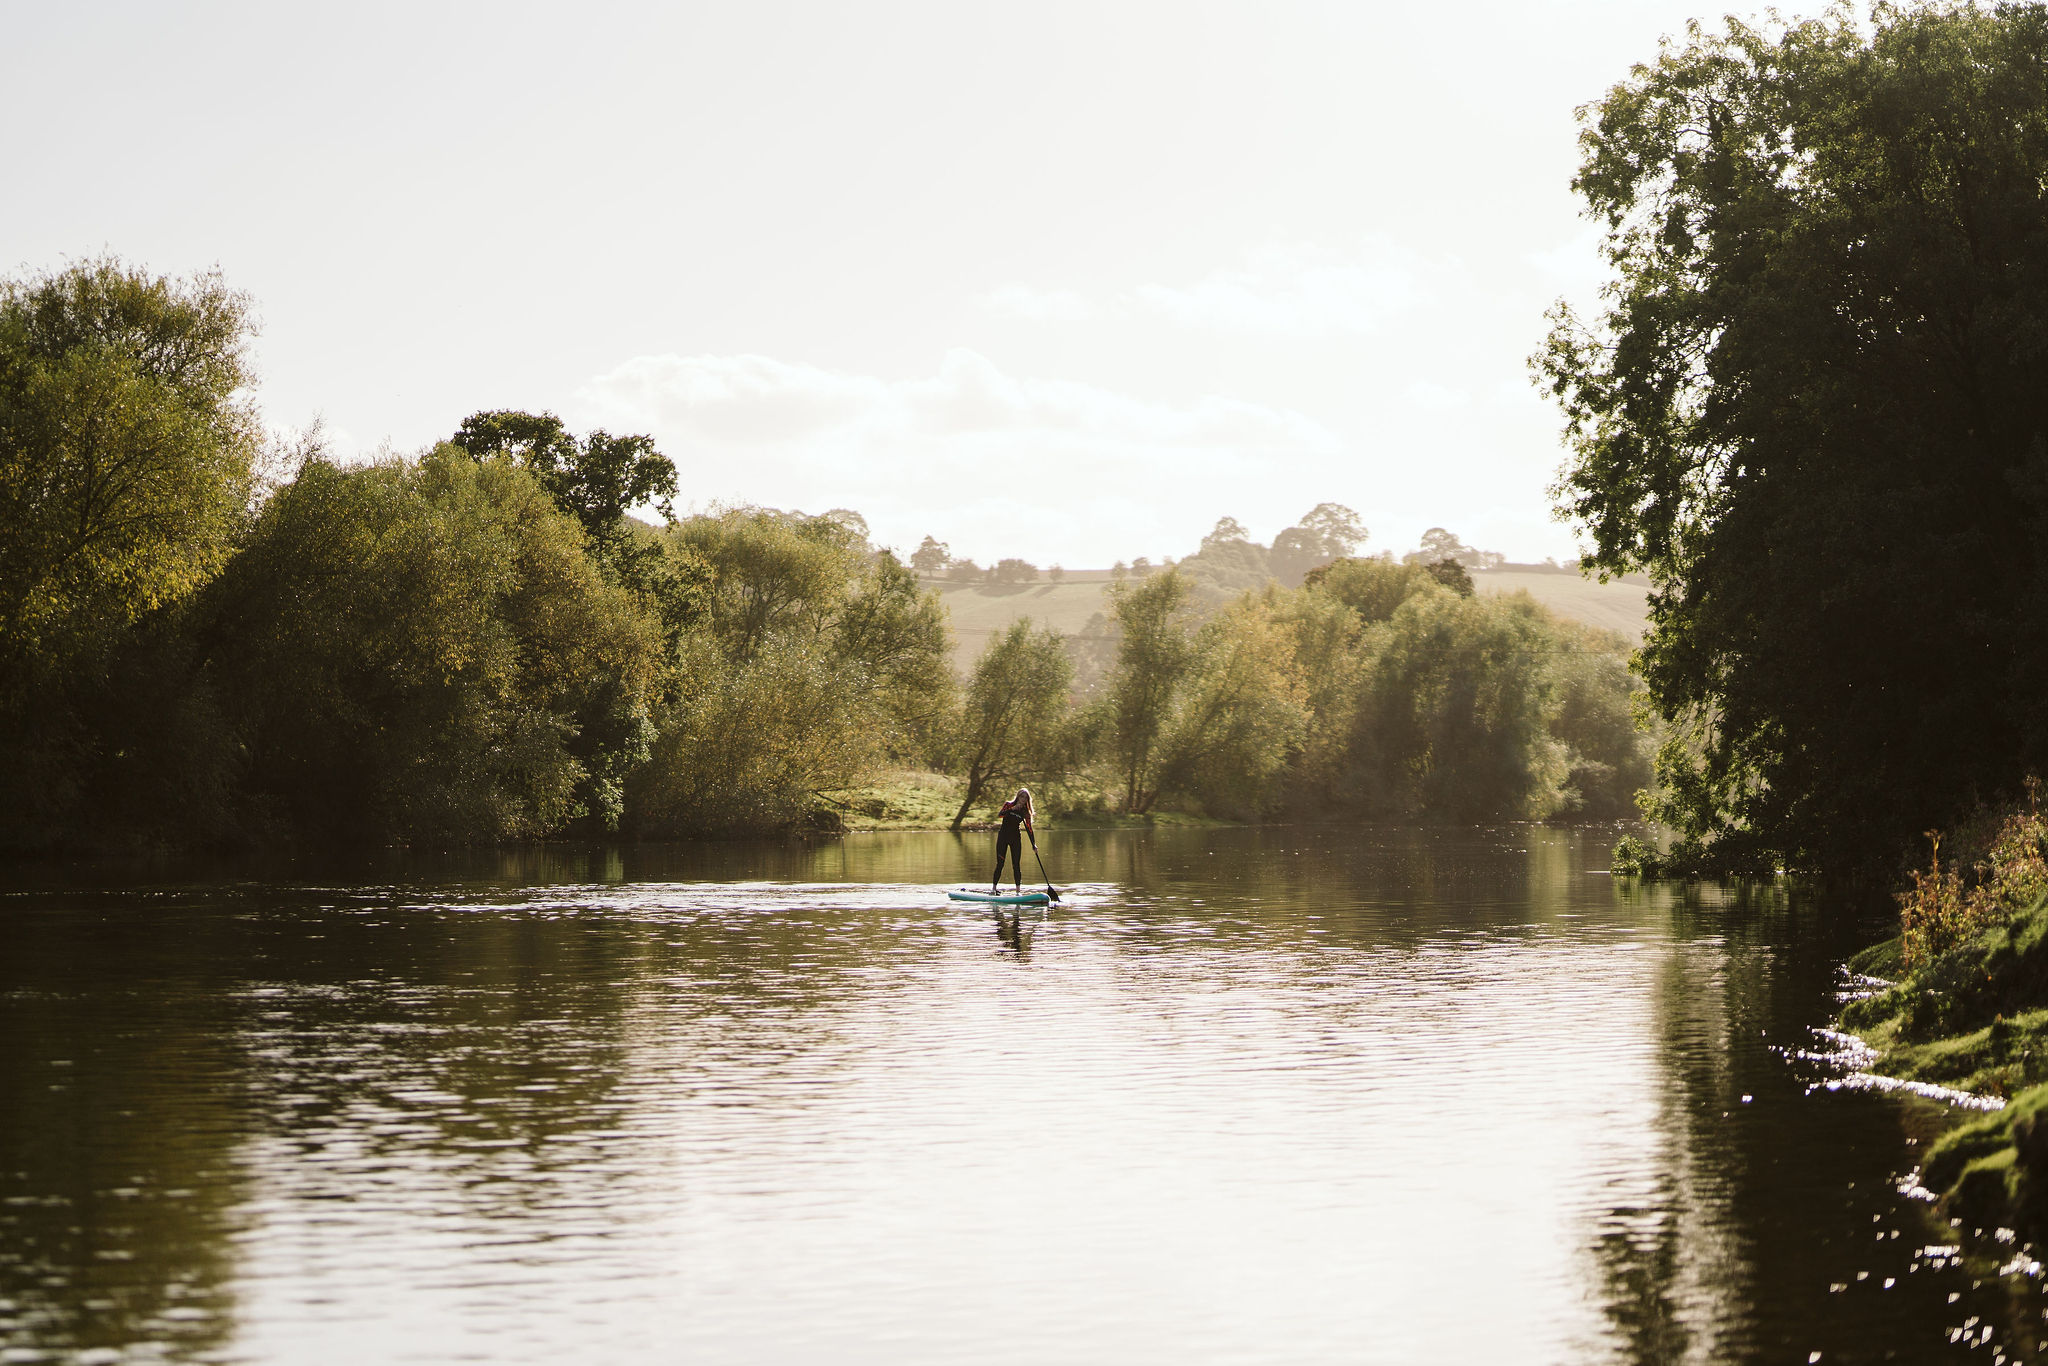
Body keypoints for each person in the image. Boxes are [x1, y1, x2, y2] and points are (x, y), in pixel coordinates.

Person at [991, 787, 1034, 892]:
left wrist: (1034, 844)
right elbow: (1000, 814)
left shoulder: (1025, 812)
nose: (1023, 799)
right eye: (1021, 796)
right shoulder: (1008, 805)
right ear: (1018, 797)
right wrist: (1012, 809)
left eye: (1025, 798)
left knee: (1016, 865)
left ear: (1027, 800)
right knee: (1000, 864)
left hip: (1015, 838)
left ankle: (1018, 891)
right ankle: (994, 889)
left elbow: (1029, 828)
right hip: (1003, 837)